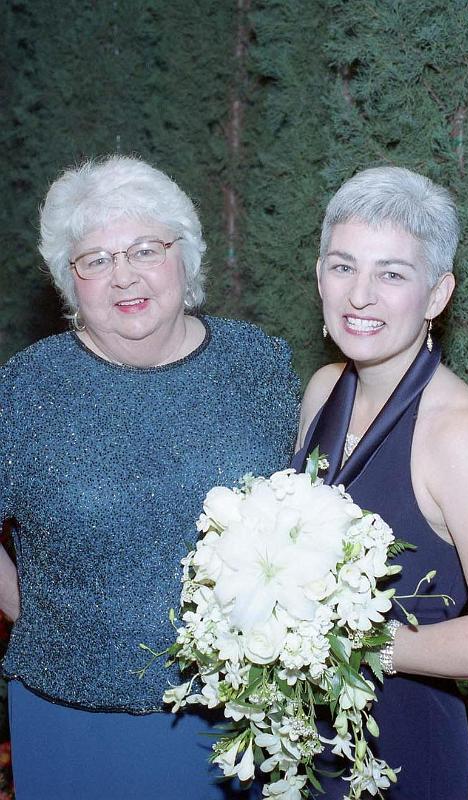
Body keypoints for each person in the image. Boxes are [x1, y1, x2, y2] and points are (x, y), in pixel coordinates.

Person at [0, 156, 300, 799]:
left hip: (232, 721)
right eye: (96, 260)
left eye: (144, 249)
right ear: (68, 280)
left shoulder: (261, 365)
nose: (123, 277)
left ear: (184, 257)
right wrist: (36, 611)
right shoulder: (22, 390)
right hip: (71, 722)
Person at [293, 166, 468, 799]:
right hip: (301, 741)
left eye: (392, 274)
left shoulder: (460, 435)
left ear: (437, 295)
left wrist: (358, 646)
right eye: (343, 266)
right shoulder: (323, 390)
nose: (360, 296)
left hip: (403, 747)